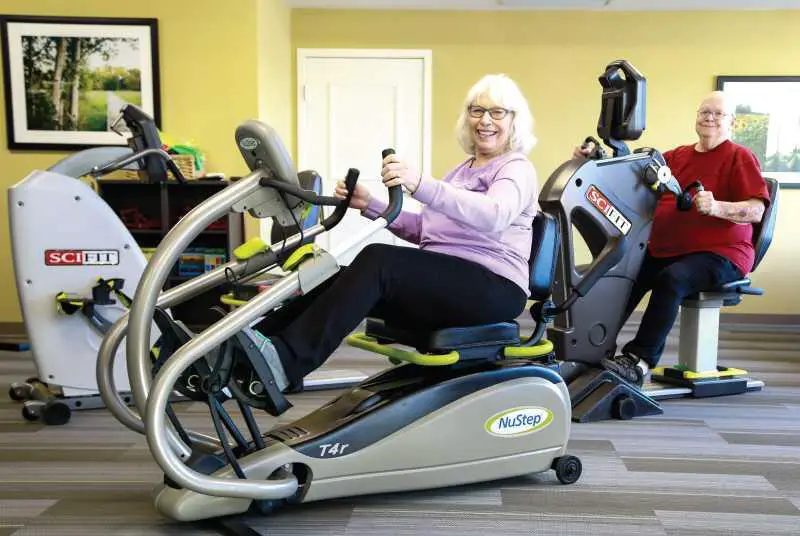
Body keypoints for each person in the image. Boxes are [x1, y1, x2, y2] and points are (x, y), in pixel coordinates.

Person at [247, 74, 539, 414]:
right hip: (451, 281)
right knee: (332, 275)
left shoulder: (516, 168)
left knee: (379, 261)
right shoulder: (462, 170)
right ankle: (256, 347)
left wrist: (420, 183)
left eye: (497, 112)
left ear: (514, 120)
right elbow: (425, 231)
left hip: (493, 286)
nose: (485, 120)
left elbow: (494, 215)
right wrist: (369, 203)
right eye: (476, 110)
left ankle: (285, 362)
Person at [574, 90, 771, 386]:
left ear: (731, 122)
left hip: (722, 254)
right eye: (705, 111)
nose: (710, 117)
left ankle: (638, 361)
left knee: (673, 278)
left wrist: (717, 207)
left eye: (718, 114)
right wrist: (591, 160)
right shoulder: (677, 156)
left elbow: (756, 210)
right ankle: (589, 349)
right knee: (619, 274)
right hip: (666, 250)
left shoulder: (739, 157)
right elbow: (630, 173)